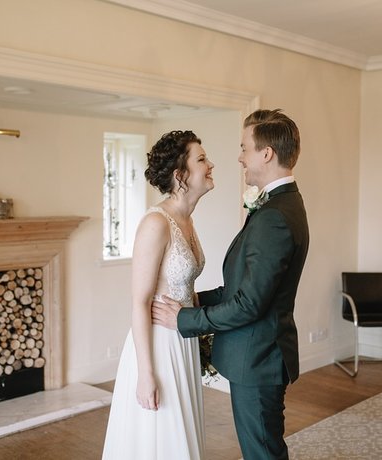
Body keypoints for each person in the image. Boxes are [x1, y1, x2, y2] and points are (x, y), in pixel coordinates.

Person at [152, 109, 309, 459]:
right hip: (261, 355)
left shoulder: (275, 217)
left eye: (244, 148)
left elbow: (249, 304)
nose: (239, 157)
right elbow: (243, 287)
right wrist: (192, 302)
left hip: (258, 359)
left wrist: (184, 320)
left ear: (266, 154)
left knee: (263, 453)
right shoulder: (281, 206)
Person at [102, 130, 214, 458]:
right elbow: (139, 301)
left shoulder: (186, 220)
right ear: (181, 175)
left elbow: (185, 289)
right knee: (162, 437)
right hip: (159, 346)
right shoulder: (156, 223)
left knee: (182, 433)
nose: (211, 165)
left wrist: (199, 323)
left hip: (183, 340)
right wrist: (145, 373)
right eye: (202, 159)